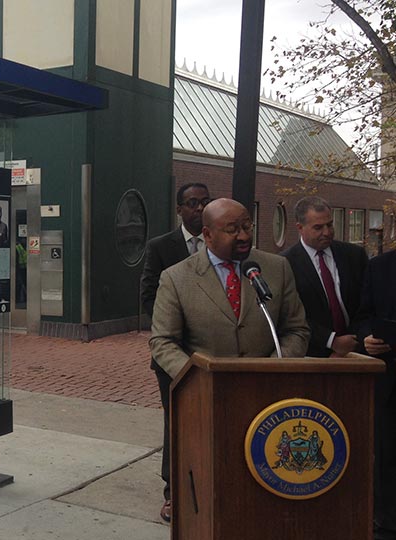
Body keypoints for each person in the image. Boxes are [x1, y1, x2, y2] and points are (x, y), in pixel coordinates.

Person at [149, 199, 309, 520]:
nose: (243, 235)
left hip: (264, 391)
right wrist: (198, 378)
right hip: (206, 394)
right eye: (232, 229)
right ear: (207, 235)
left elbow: (296, 329)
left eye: (247, 226)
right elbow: (162, 341)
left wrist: (276, 364)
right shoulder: (176, 278)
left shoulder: (275, 268)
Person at [139, 182, 210, 523]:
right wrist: (175, 325)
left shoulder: (220, 245)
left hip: (215, 353)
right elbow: (148, 298)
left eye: (204, 202)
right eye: (192, 203)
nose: (199, 208)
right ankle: (173, 493)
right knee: (177, 422)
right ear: (180, 209)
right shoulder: (160, 247)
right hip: (173, 355)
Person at [281, 196, 367, 358]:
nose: (327, 232)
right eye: (318, 227)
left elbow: (366, 304)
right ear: (300, 228)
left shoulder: (354, 256)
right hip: (314, 356)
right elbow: (289, 315)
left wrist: (353, 342)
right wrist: (332, 341)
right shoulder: (285, 264)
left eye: (330, 225)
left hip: (359, 351)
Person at [355, 249, 396, 540]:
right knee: (387, 457)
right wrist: (367, 336)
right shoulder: (380, 266)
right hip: (390, 383)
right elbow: (364, 316)